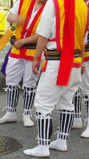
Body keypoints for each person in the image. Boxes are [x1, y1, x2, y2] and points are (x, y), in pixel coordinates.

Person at [23, 0, 88, 157]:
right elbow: (84, 38)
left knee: (43, 104)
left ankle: (43, 146)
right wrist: (80, 61)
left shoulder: (54, 3)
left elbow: (43, 34)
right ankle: (61, 141)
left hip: (56, 61)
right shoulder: (83, 5)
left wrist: (37, 57)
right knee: (67, 103)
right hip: (75, 61)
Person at [0, 0, 47, 127]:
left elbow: (44, 35)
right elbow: (10, 17)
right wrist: (17, 18)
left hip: (34, 50)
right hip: (17, 48)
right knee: (11, 80)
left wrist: (23, 42)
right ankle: (10, 112)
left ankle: (27, 114)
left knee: (30, 83)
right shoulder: (23, 1)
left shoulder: (50, 7)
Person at [71, 0, 89, 136]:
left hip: (86, 51)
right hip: (76, 52)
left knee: (87, 88)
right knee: (75, 86)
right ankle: (76, 118)